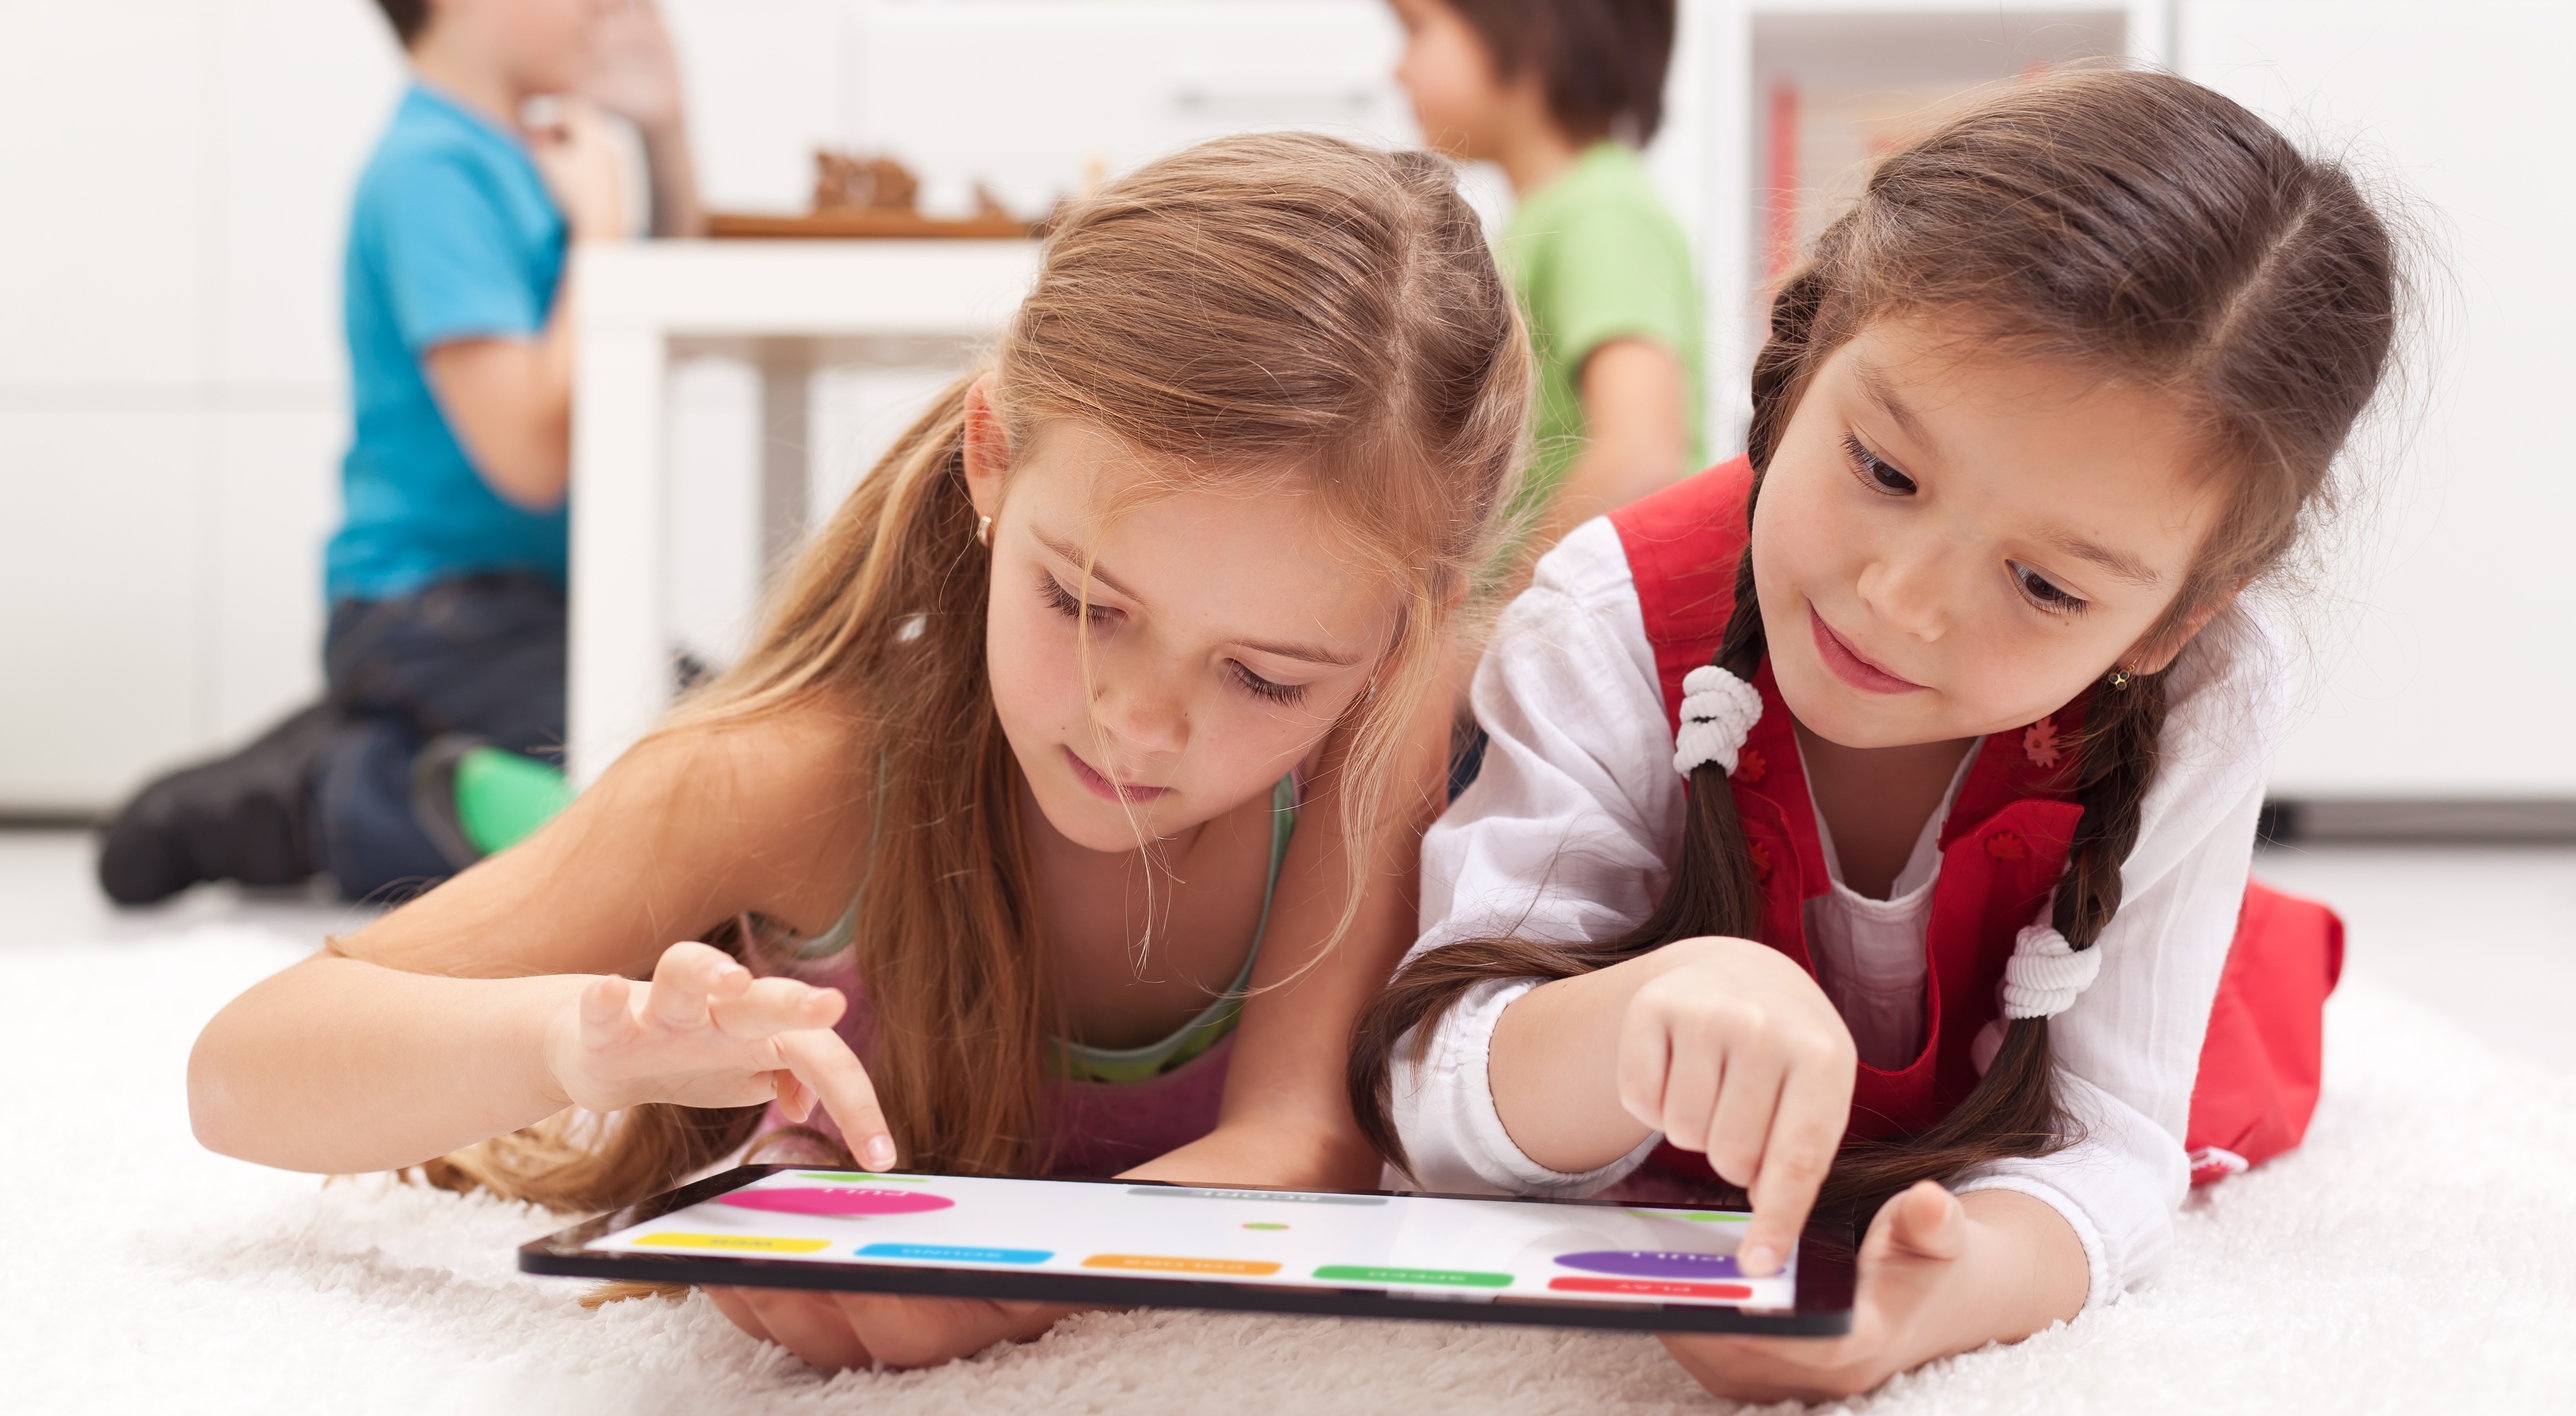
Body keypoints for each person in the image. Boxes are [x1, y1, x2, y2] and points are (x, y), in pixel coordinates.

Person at [188, 133, 1529, 1372]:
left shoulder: (1387, 730)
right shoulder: (789, 776)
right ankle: (357, 779)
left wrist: (1006, 1278)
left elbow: (1306, 1140)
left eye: (1259, 674)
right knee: (541, 821)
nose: (1136, 719)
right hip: (680, 787)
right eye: (1085, 603)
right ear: (991, 454)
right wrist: (579, 1039)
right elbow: (244, 1066)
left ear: (1401, 631)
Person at [1351, 69, 2393, 1400]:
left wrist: (1924, 1300)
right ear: (1812, 347)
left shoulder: (2216, 688)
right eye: (1886, 470)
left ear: (2174, 618)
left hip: (2088, 983)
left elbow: (2114, 1145)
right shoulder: (1609, 617)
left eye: (2047, 586)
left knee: (2235, 1019)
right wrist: (1632, 1026)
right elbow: (1430, 1092)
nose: (1901, 604)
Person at [96, 0, 703, 906]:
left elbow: (654, 331)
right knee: (698, 797)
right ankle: (328, 794)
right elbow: (528, 460)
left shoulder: (536, 162)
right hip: (432, 610)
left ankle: (390, 746)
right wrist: (598, 237)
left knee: (752, 754)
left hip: (525, 607)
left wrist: (663, 136)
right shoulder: (434, 172)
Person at [1390, 0, 1703, 556]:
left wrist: (1503, 627)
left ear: (1528, 30)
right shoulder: (1544, 219)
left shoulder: (1602, 211)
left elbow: (1641, 452)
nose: (1398, 68)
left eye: (1418, 30)